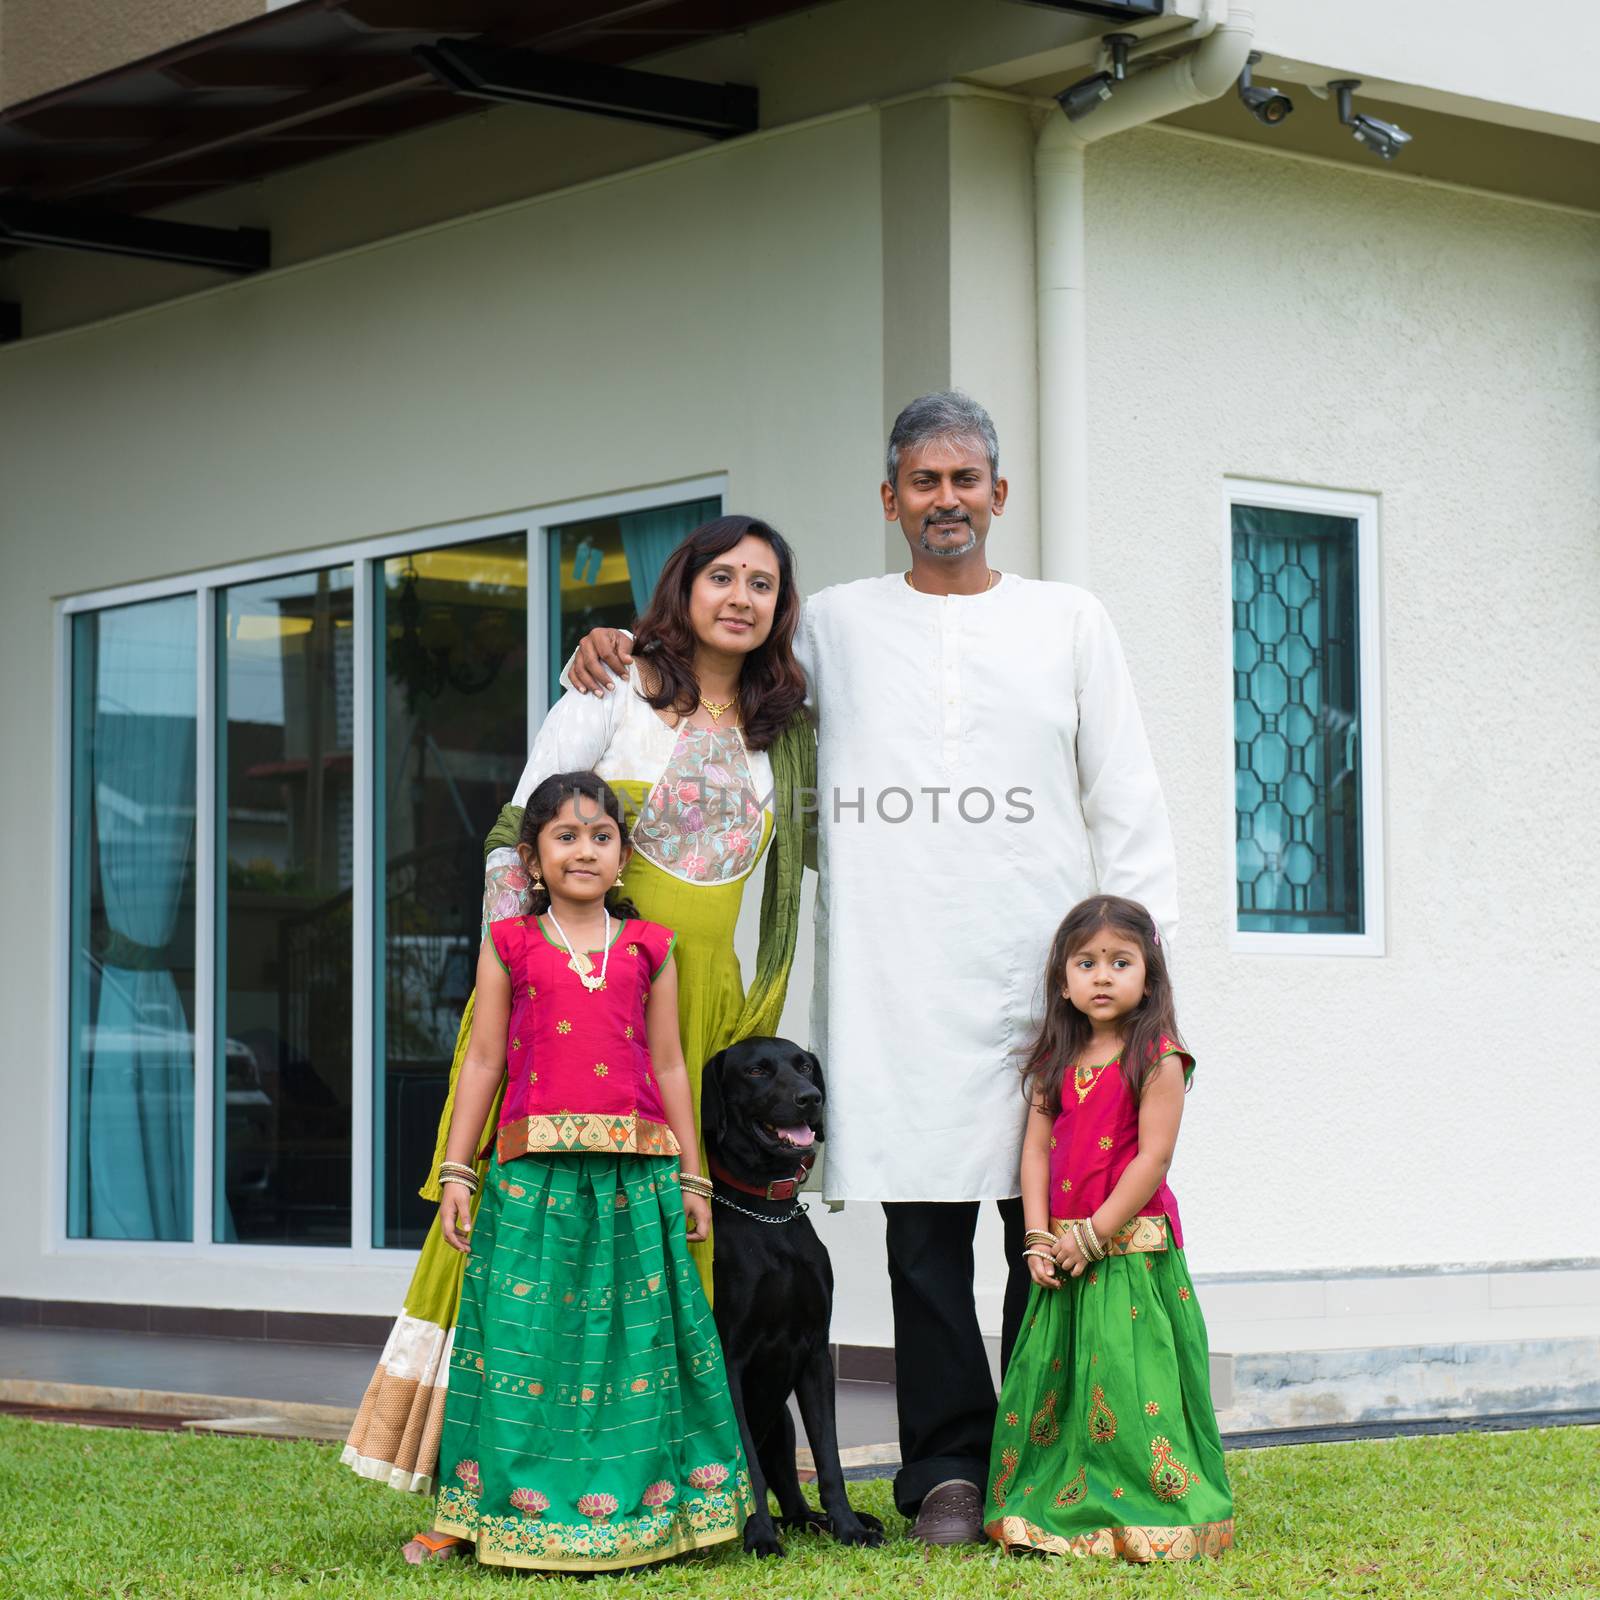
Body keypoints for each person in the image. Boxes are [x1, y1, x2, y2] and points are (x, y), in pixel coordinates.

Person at [567, 392, 1178, 1545]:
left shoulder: (1069, 619)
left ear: (1001, 494)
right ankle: (946, 1467)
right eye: (922, 481)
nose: (944, 499)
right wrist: (615, 649)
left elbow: (1128, 797)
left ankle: (1049, 1456)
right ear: (887, 498)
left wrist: (1146, 987)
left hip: (1046, 976)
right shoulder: (837, 623)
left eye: (965, 480)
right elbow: (719, 661)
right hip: (897, 977)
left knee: (1048, 1219)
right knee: (924, 1231)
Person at [343, 515, 815, 1521]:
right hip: (585, 1011)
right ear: (681, 588)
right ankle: (489, 1474)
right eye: (719, 575)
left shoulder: (783, 733)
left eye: (762, 584)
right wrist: (525, 990)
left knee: (674, 1246)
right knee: (542, 1239)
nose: (739, 596)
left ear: (780, 609)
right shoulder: (610, 691)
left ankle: (675, 1476)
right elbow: (518, 837)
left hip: (700, 1019)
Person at [415, 771, 753, 1571]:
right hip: (531, 1180)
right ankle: (490, 1508)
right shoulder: (510, 945)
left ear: (623, 857)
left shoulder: (651, 948)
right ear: (531, 860)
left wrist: (695, 1180)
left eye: (601, 836)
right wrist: (459, 1170)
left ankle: (647, 1511)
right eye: (565, 836)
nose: (584, 850)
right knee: (522, 1345)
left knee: (634, 1349)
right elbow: (486, 1061)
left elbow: (671, 1068)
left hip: (636, 1182)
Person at [983, 894, 1232, 1562]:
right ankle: (1054, 1509)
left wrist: (1093, 1236)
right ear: (1061, 979)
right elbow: (1035, 1151)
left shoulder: (1159, 1056)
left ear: (1148, 975)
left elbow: (1154, 1157)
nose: (1101, 976)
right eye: (1085, 962)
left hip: (1128, 1258)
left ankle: (1153, 1513)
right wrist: (1035, 1237)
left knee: (1129, 1387)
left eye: (1120, 962)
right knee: (1059, 1391)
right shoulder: (1054, 1059)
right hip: (1061, 1254)